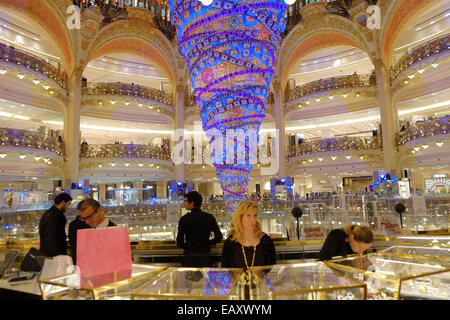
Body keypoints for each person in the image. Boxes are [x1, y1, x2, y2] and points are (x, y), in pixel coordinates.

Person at [221, 200, 276, 269]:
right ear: (240, 218)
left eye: (255, 215)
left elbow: (272, 268)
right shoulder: (230, 242)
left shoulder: (266, 240)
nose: (253, 219)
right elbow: (227, 270)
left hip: (261, 279)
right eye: (248, 215)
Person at [176, 191, 222, 267]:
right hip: (205, 257)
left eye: (186, 201)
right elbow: (219, 237)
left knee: (188, 279)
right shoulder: (209, 217)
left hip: (189, 258)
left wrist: (190, 246)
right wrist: (207, 243)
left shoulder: (184, 219)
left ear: (192, 202)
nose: (184, 203)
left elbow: (179, 242)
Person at [68, 199, 116, 264]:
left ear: (99, 210)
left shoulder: (114, 230)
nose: (87, 221)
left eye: (89, 217)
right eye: (83, 218)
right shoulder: (76, 227)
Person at [39, 192, 73, 257]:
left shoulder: (46, 214)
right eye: (68, 205)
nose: (68, 208)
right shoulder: (58, 216)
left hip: (44, 252)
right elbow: (56, 237)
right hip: (55, 254)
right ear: (63, 203)